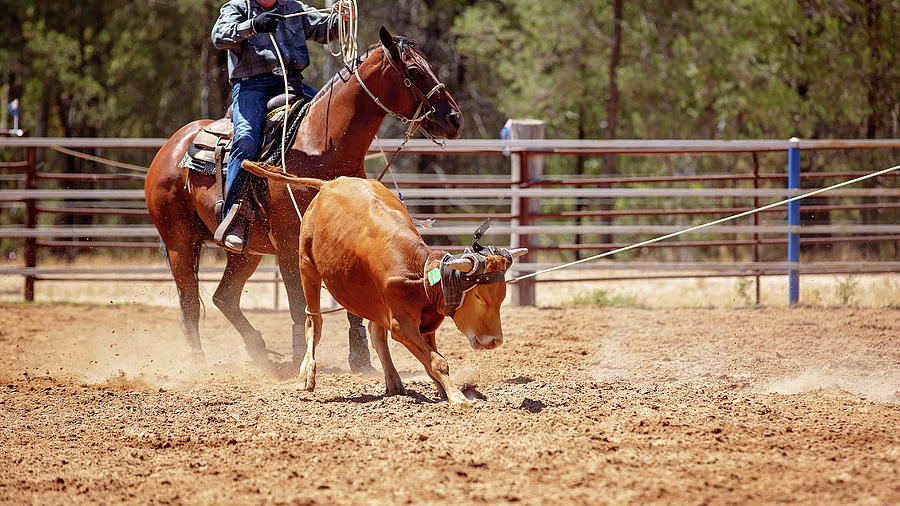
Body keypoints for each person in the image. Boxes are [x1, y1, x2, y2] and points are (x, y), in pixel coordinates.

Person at [211, 0, 348, 251]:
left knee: (333, 121)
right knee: (247, 137)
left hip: (293, 83)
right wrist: (252, 25)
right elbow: (219, 36)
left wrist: (342, 19)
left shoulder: (293, 6)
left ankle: (348, 208)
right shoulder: (238, 7)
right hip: (252, 86)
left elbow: (325, 30)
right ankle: (234, 216)